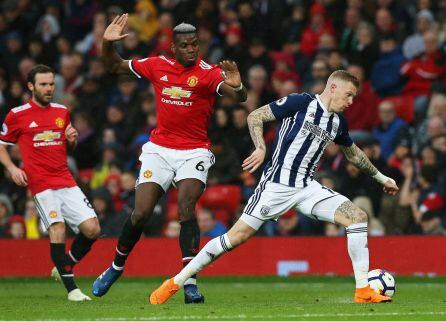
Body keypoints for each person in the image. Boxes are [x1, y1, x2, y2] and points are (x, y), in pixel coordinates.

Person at [150, 70, 399, 304]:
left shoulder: (337, 123)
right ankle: (176, 281)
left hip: (307, 188)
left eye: (354, 97)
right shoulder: (301, 102)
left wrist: (381, 177)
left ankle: (363, 290)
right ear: (333, 87)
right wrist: (260, 146)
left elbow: (353, 154)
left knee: (357, 217)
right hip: (276, 186)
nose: (351, 101)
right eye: (349, 95)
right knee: (235, 237)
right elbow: (255, 116)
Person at [92, 14, 247, 304]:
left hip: (194, 151)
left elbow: (239, 97)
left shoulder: (208, 72)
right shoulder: (157, 65)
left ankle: (188, 280)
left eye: (195, 44)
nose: (191, 49)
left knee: (186, 207)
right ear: (173, 48)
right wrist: (106, 43)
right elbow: (113, 65)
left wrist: (237, 86)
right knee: (141, 213)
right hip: (159, 150)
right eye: (185, 45)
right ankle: (115, 267)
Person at [0, 64, 100, 301]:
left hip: (65, 178)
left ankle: (64, 265)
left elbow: (67, 145)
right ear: (31, 86)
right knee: (58, 228)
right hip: (41, 183)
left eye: (51, 84)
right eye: (43, 84)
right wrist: (12, 168)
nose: (49, 88)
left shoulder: (62, 111)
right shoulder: (17, 115)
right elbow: (1, 145)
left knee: (92, 229)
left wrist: (72, 139)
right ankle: (72, 290)